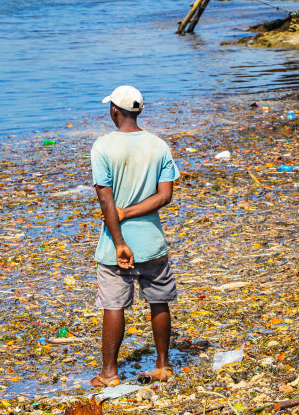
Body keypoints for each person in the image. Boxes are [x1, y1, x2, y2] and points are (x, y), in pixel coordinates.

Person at [89, 85, 180, 387]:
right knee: (159, 302)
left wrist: (119, 240)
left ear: (114, 110)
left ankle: (109, 373)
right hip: (152, 242)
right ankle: (164, 366)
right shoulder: (159, 146)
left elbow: (105, 201)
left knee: (114, 305)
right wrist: (130, 213)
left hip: (116, 245)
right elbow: (165, 196)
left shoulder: (103, 147)